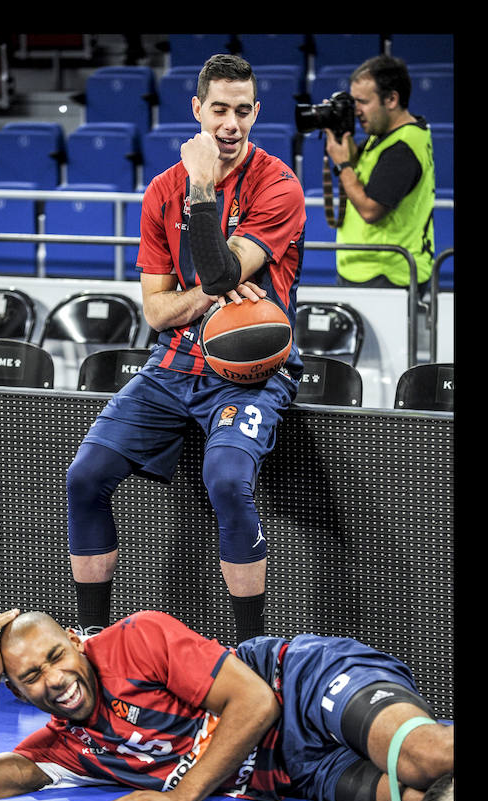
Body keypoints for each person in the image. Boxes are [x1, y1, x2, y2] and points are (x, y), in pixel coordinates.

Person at [66, 54, 306, 643]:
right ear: (196, 109)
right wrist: (212, 289)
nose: (230, 124)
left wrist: (202, 189)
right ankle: (96, 641)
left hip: (250, 371)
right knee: (83, 478)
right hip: (171, 365)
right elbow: (157, 311)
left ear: (257, 113)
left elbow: (222, 271)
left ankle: (254, 656)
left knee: (226, 479)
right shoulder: (159, 192)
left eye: (243, 111)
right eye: (218, 109)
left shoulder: (279, 186)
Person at [0, 608, 454, 801]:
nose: (55, 680)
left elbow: (256, 703)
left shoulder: (136, 638)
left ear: (76, 642)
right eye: (30, 678)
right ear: (18, 693)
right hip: (299, 772)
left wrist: (180, 797)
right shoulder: (64, 749)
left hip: (298, 683)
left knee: (421, 757)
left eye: (56, 657)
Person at [324, 55, 435, 295]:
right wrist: (339, 130)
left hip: (386, 274)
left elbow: (370, 209)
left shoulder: (403, 148)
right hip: (367, 270)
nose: (356, 111)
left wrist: (343, 165)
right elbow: (362, 170)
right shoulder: (383, 134)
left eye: (362, 102)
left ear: (392, 99)